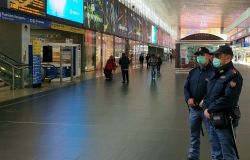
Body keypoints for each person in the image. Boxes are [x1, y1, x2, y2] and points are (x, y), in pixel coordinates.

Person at [201, 45, 243, 159]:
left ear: (228, 57)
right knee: (216, 152)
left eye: (219, 56)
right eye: (215, 55)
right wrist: (205, 107)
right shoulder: (216, 73)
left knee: (228, 153)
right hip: (212, 119)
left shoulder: (234, 75)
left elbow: (228, 99)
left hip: (225, 121)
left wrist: (210, 109)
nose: (215, 58)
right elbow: (208, 94)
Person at [184, 47, 214, 160]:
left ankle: (215, 157)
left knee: (212, 137)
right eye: (198, 55)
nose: (199, 57)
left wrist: (205, 101)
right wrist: (188, 99)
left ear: (209, 56)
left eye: (202, 54)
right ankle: (193, 157)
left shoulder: (214, 72)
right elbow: (186, 87)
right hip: (194, 110)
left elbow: (216, 91)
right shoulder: (193, 72)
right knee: (194, 137)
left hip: (207, 111)